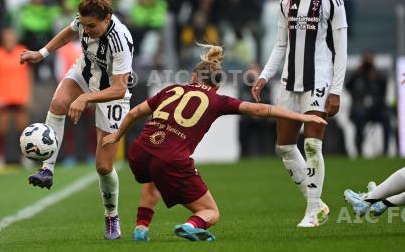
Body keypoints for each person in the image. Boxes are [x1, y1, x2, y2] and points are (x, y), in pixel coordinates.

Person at [101, 44, 327, 241]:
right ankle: (191, 226)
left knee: (152, 178)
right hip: (170, 160)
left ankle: (141, 229)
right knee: (210, 211)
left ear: (192, 77)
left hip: (139, 151)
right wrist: (302, 116)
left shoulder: (170, 89)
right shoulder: (218, 99)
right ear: (217, 86)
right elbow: (260, 109)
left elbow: (133, 114)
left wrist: (116, 136)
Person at [20, 0, 134, 240]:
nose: (87, 30)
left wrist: (86, 98)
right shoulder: (85, 19)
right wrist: (41, 53)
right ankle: (47, 169)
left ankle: (111, 215)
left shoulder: (120, 41)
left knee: (104, 167)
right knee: (59, 103)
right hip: (85, 72)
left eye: (92, 26)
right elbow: (69, 32)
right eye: (84, 25)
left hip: (111, 93)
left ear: (106, 18)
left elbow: (118, 88)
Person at [252, 0, 348, 227]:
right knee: (283, 147)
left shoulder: (332, 1)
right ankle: (317, 203)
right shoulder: (286, 1)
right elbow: (281, 45)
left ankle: (313, 210)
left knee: (313, 146)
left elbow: (341, 49)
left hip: (319, 79)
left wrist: (336, 90)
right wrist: (265, 76)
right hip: (289, 82)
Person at [0, 27, 32, 168]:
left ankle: (24, 157)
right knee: (1, 129)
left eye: (11, 38)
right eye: (6, 39)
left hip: (19, 94)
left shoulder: (22, 50)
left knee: (22, 129)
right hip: (4, 95)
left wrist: (28, 94)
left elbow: (28, 74)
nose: (9, 41)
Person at [345, 51, 392, 157]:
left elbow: (383, 94)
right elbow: (347, 86)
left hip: (376, 110)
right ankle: (359, 150)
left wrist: (376, 77)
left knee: (386, 117)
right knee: (359, 117)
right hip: (360, 110)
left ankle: (386, 151)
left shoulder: (378, 75)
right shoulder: (357, 74)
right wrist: (357, 73)